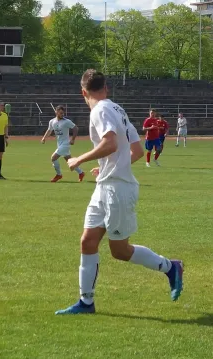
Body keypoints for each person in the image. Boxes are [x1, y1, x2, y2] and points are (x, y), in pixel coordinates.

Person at [55, 69, 183, 315]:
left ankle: (170, 267)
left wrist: (78, 159)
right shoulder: (118, 110)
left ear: (83, 92)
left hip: (118, 190)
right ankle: (86, 303)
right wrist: (108, 165)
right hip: (106, 185)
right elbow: (134, 150)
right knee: (88, 241)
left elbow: (110, 143)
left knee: (120, 251)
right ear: (106, 88)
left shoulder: (100, 110)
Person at [41, 105, 85, 183]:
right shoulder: (52, 121)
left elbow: (76, 128)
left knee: (53, 158)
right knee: (69, 161)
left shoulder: (66, 121)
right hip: (59, 143)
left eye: (63, 113)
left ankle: (59, 175)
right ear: (56, 112)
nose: (62, 114)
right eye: (60, 113)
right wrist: (44, 138)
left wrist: (73, 139)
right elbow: (49, 130)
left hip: (65, 144)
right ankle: (81, 173)